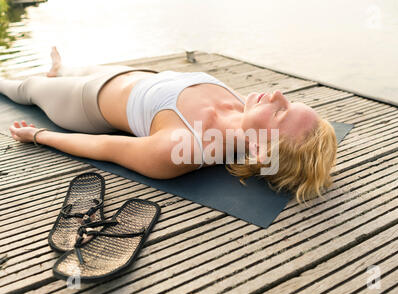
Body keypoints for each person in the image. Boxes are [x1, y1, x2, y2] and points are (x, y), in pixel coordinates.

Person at [1, 47, 337, 204]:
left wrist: (39, 135)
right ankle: (60, 68)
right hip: (137, 77)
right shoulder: (245, 107)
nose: (278, 94)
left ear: (260, 146)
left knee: (23, 87)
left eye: (281, 112)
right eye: (289, 101)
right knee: (80, 66)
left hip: (84, 101)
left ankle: (36, 79)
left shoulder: (184, 147)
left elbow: (106, 147)